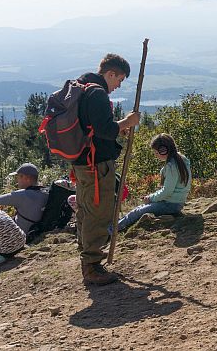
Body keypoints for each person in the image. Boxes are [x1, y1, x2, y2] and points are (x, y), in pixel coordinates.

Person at [73, 53, 140, 286]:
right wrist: (126, 123)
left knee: (85, 207)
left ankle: (86, 256)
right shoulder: (97, 92)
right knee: (98, 211)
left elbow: (92, 127)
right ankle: (92, 266)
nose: (118, 85)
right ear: (110, 73)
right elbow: (104, 130)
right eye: (119, 80)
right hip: (96, 163)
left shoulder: (80, 86)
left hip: (82, 161)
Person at [115, 134, 191, 232]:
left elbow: (167, 192)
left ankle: (112, 230)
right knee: (142, 207)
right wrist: (151, 197)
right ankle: (117, 226)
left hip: (171, 205)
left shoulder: (171, 166)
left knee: (138, 211)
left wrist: (151, 198)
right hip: (175, 203)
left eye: (156, 153)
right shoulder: (181, 159)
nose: (156, 156)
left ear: (163, 150)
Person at [0, 163, 49, 239]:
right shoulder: (45, 193)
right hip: (36, 233)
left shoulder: (22, 195)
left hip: (18, 237)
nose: (17, 180)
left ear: (27, 178)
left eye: (19, 177)